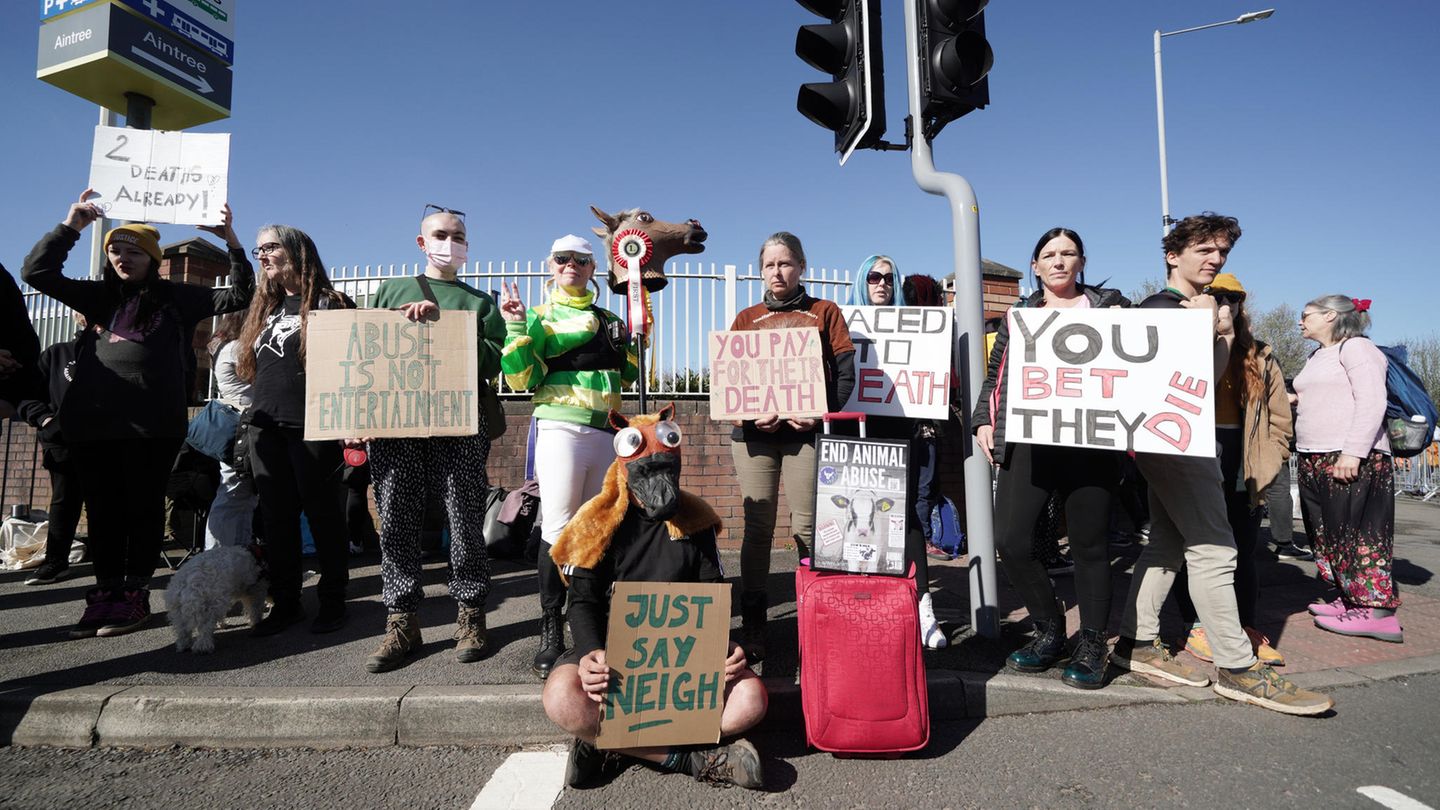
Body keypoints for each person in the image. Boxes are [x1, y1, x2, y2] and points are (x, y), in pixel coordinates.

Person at [1113, 213, 1331, 715]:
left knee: (1167, 545)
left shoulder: (1194, 308)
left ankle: (1137, 644)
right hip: (1175, 444)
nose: (1215, 260)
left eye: (1223, 253)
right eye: (1204, 250)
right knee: (1215, 549)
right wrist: (1215, 330)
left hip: (1175, 444)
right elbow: (1192, 386)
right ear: (1173, 255)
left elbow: (1201, 382)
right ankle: (1237, 667)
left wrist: (1222, 330)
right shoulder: (1164, 309)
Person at [21, 191, 253, 638]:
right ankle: (105, 593)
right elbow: (36, 272)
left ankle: (134, 594)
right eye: (115, 250)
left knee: (142, 508)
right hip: (92, 424)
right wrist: (72, 225)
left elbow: (240, 293)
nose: (122, 258)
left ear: (152, 258)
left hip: (152, 425)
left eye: (133, 251)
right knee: (104, 511)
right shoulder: (97, 297)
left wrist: (232, 242)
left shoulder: (177, 299)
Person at [542, 406, 767, 791]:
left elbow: (712, 595)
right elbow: (582, 602)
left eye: (666, 471)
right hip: (613, 658)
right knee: (561, 697)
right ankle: (686, 759)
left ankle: (614, 745)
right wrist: (590, 652)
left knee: (751, 699)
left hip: (681, 661)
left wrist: (723, 646)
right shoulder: (599, 525)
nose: (659, 487)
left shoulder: (694, 522)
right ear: (626, 473)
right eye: (647, 473)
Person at [972, 228, 1128, 690]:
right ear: (1035, 266)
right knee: (1011, 540)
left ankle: (1094, 643)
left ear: (1081, 262)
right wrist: (984, 418)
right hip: (1030, 441)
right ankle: (1050, 629)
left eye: (1068, 254)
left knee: (1089, 545)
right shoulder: (1018, 316)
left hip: (1092, 443)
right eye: (1049, 255)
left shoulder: (1111, 308)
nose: (1059, 261)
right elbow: (993, 375)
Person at [363, 206, 506, 673]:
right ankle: (401, 618)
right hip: (397, 421)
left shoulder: (481, 303)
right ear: (422, 243)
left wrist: (443, 324)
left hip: (460, 420)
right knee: (397, 516)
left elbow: (490, 364)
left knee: (465, 517)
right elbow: (367, 350)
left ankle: (470, 612)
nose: (450, 242)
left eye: (458, 235)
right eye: (441, 234)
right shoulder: (390, 290)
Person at [500, 235, 638, 679]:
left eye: (580, 260)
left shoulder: (610, 319)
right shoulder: (538, 315)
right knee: (558, 523)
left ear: (593, 267)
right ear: (551, 265)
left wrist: (637, 335)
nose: (571, 266)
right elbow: (520, 379)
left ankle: (589, 625)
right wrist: (518, 329)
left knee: (597, 525)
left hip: (605, 429)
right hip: (559, 425)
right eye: (562, 259)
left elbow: (630, 375)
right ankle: (550, 627)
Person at [730, 232, 856, 663]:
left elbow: (845, 373)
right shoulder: (746, 318)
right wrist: (750, 416)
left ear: (802, 266)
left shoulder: (825, 312)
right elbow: (732, 382)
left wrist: (821, 415)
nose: (777, 272)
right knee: (757, 528)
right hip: (756, 438)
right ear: (760, 270)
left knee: (808, 528)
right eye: (769, 265)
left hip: (805, 435)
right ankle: (754, 624)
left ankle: (816, 620)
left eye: (785, 263)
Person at [234, 223, 354, 636]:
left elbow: (352, 368)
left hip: (314, 427)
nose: (263, 255)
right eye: (258, 249)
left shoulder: (331, 303)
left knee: (324, 517)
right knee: (276, 521)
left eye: (271, 247)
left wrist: (349, 424)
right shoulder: (263, 309)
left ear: (297, 252)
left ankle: (333, 599)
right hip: (265, 428)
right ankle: (286, 603)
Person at [1172, 273, 1290, 667]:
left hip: (1243, 455)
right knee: (1196, 545)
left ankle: (1244, 626)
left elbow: (1279, 419)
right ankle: (1196, 625)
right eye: (1215, 296)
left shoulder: (1259, 354)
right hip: (1197, 450)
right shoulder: (1187, 342)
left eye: (1233, 299)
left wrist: (1272, 460)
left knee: (1241, 546)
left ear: (1242, 305)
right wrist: (1211, 332)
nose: (1225, 305)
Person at [846, 255, 945, 649]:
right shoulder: (844, 323)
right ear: (862, 281)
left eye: (889, 277)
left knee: (907, 519)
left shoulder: (920, 328)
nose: (881, 283)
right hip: (856, 431)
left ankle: (923, 608)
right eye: (873, 276)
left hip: (901, 431)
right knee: (859, 517)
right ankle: (868, 606)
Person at [1294, 294, 1402, 642]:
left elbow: (1372, 400)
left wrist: (1353, 453)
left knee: (1360, 534)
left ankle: (1376, 612)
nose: (1300, 321)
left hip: (1349, 456)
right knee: (1328, 533)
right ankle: (1349, 598)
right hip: (1315, 454)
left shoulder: (1357, 349)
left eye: (1305, 314)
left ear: (1329, 316)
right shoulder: (1316, 355)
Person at [17, 320, 85, 585]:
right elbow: (27, 394)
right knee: (64, 501)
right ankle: (56, 561)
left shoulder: (117, 353)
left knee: (108, 502)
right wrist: (45, 419)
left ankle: (113, 569)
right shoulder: (57, 353)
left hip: (105, 439)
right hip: (62, 441)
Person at [203, 310, 258, 550]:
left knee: (241, 494)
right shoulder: (238, 349)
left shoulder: (224, 346)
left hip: (238, 424)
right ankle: (219, 553)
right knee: (234, 493)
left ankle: (234, 551)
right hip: (243, 425)